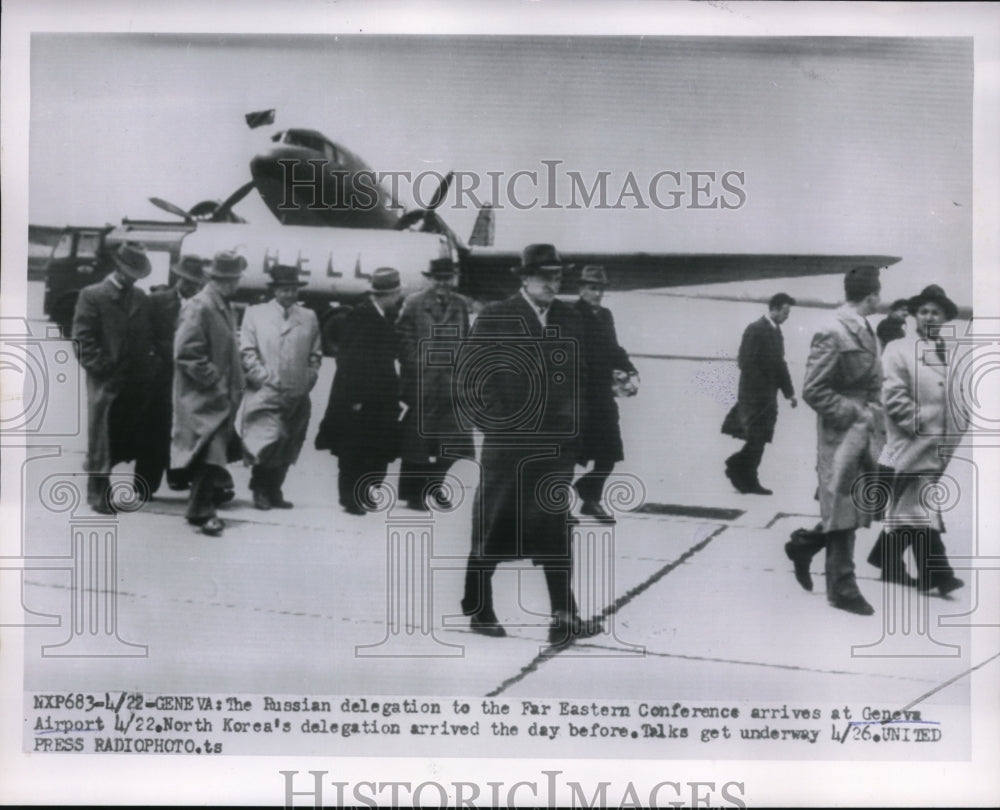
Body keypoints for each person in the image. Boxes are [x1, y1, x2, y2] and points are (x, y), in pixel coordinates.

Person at [460, 243, 602, 646]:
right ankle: (477, 607)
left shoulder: (569, 318)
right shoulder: (496, 317)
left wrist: (580, 436)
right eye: (545, 276)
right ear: (523, 278)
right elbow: (471, 380)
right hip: (509, 449)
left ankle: (563, 616)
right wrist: (501, 426)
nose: (553, 284)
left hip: (556, 450)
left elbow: (581, 379)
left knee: (556, 528)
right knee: (492, 527)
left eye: (558, 277)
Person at [785, 266, 885, 616]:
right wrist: (853, 413)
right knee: (843, 507)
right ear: (871, 294)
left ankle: (805, 544)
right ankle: (842, 588)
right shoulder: (832, 330)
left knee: (856, 506)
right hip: (841, 432)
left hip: (864, 428)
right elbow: (813, 389)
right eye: (878, 292)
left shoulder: (863, 327)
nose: (880, 298)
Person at [873, 285, 967, 596]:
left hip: (939, 446)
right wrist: (920, 423)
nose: (929, 316)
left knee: (910, 507)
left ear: (944, 318)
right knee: (920, 507)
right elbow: (893, 395)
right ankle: (938, 575)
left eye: (935, 312)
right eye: (924, 311)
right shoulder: (898, 348)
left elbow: (954, 395)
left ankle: (887, 560)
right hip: (911, 442)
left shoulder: (948, 352)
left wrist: (959, 424)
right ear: (914, 315)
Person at [72, 242, 160, 514]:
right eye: (127, 271)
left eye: (135, 273)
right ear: (116, 267)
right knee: (102, 436)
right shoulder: (93, 295)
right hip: (106, 381)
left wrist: (149, 365)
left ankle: (105, 484)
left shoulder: (141, 298)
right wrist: (101, 367)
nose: (131, 277)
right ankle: (98, 493)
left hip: (135, 381)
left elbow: (149, 336)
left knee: (121, 436)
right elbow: (82, 338)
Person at [315, 267, 404, 515]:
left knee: (375, 448)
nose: (398, 297)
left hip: (379, 399)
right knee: (354, 450)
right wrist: (354, 399)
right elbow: (349, 360)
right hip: (361, 398)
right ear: (390, 293)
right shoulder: (362, 316)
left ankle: (364, 493)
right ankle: (350, 497)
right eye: (397, 293)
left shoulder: (379, 315)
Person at [171, 251, 247, 536]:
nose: (238, 283)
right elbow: (186, 352)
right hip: (202, 397)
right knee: (210, 455)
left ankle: (200, 509)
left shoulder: (223, 306)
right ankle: (201, 511)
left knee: (211, 454)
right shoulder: (200, 306)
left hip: (218, 398)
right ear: (226, 280)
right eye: (236, 278)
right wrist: (214, 380)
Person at [237, 265, 322, 510]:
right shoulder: (255, 314)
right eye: (284, 290)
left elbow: (315, 353)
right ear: (274, 290)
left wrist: (309, 377)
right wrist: (260, 375)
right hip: (266, 390)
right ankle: (260, 488)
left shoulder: (308, 317)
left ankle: (275, 489)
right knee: (266, 441)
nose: (289, 294)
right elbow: (247, 350)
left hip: (297, 391)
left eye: (293, 290)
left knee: (289, 441)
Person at [396, 257, 475, 510]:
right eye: (438, 278)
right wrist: (418, 362)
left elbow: (466, 338)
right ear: (429, 279)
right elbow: (402, 336)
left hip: (453, 384)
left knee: (454, 441)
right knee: (418, 443)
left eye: (447, 278)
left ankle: (434, 484)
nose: (443, 283)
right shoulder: (414, 303)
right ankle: (414, 494)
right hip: (424, 383)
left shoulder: (460, 304)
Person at [571, 265, 637, 522]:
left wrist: (628, 367)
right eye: (591, 288)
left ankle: (590, 498)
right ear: (581, 289)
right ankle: (557, 507)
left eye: (600, 288)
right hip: (580, 395)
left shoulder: (606, 316)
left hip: (602, 396)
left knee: (609, 452)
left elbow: (613, 347)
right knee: (572, 455)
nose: (597, 293)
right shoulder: (572, 315)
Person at [145, 255, 212, 496]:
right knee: (155, 430)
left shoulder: (203, 307)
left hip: (188, 380)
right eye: (187, 280)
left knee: (184, 431)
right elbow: (145, 337)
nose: (191, 286)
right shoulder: (156, 301)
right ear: (178, 278)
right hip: (160, 379)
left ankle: (178, 477)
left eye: (196, 282)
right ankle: (145, 485)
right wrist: (155, 364)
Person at [722, 293, 797, 495]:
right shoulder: (756, 329)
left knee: (760, 438)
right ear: (773, 309)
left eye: (788, 313)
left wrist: (789, 393)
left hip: (767, 397)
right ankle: (744, 474)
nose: (787, 316)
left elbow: (780, 365)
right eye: (785, 312)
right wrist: (761, 388)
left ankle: (741, 470)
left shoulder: (776, 331)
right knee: (757, 437)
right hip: (753, 396)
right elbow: (744, 361)